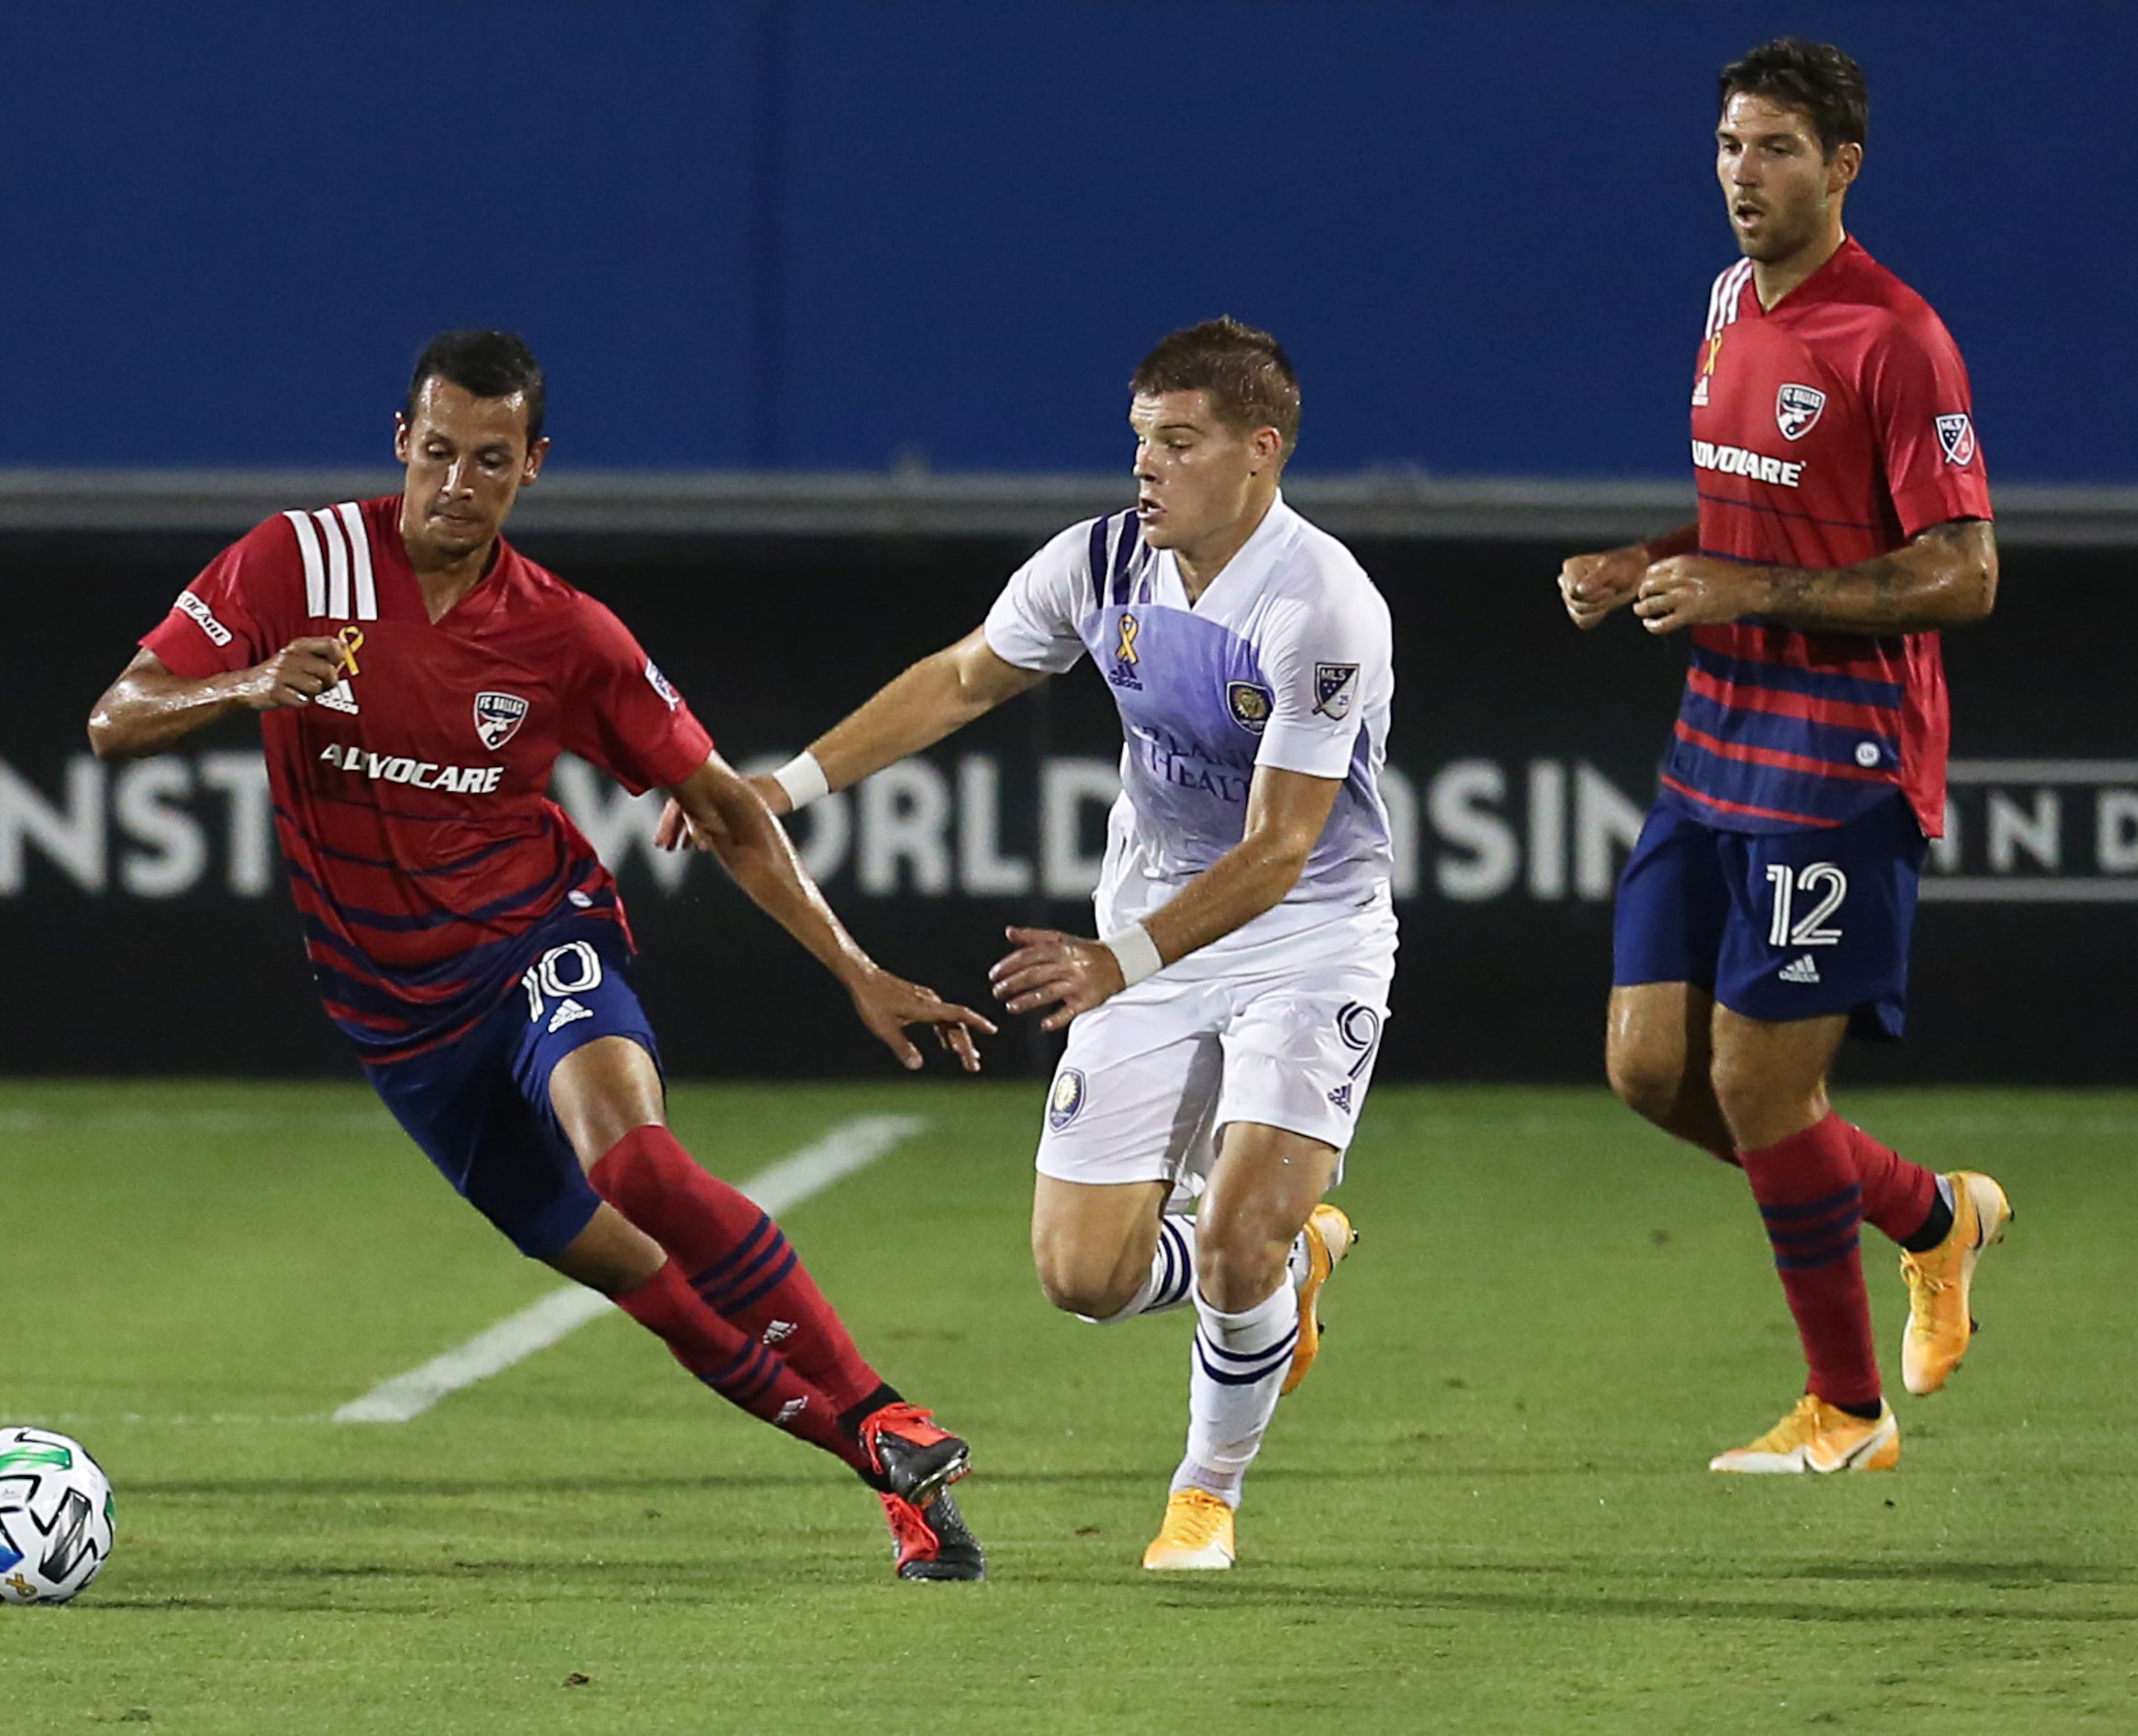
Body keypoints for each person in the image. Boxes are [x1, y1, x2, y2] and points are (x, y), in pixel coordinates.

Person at [86, 329, 996, 1578]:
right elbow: (114, 717)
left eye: (492, 460)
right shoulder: (292, 562)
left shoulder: (566, 634)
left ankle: (886, 1407)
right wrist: (242, 685)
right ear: (402, 440)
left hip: (534, 940)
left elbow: (724, 805)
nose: (459, 482)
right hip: (396, 1021)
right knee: (649, 1286)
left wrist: (857, 969)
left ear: (533, 467)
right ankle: (889, 1470)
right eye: (441, 451)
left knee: (636, 1161)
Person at [663, 317, 1390, 1571]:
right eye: (1138, 442)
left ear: (1259, 452)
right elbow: (960, 677)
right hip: (1150, 936)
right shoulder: (1099, 561)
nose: (1144, 468)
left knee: (1234, 1231)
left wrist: (1119, 960)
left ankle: (1204, 1490)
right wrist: (784, 790)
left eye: (1177, 442)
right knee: (1081, 1275)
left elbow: (1278, 852)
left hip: (1301, 938)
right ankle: (1286, 1255)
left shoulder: (1321, 603)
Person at [1558, 39, 2008, 1473]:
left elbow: (1964, 572)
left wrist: (1751, 592)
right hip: (1713, 740)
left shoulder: (1894, 339)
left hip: (1841, 753)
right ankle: (1933, 1219)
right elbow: (1746, 526)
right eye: (1728, 147)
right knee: (1646, 1067)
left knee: (1759, 1085)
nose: (1742, 175)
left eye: (1774, 150)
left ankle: (1848, 1408)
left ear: (1841, 164)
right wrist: (1648, 559)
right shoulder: (1721, 304)